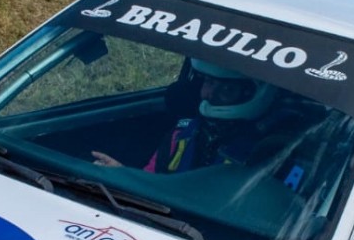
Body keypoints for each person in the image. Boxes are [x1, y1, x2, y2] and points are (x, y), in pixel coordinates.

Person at [91, 58, 287, 175]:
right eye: (208, 82)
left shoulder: (274, 150)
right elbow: (151, 180)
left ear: (253, 92)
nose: (208, 94)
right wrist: (124, 174)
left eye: (226, 89)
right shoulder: (183, 134)